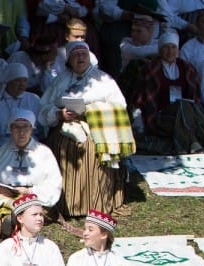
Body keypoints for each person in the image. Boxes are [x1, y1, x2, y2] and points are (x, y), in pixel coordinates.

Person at [38, 41, 134, 218]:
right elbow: (43, 108)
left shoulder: (104, 79)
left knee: (91, 149)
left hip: (97, 128)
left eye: (84, 54)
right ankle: (65, 204)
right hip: (65, 125)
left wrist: (91, 112)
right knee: (60, 146)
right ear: (69, 61)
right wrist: (59, 114)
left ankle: (94, 203)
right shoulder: (60, 81)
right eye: (76, 55)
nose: (80, 57)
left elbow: (120, 106)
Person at [0, 109, 62, 239]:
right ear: (10, 129)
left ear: (32, 129)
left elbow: (54, 184)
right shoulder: (0, 153)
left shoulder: (44, 154)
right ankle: (8, 219)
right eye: (16, 128)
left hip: (33, 198)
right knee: (0, 200)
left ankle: (7, 219)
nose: (21, 132)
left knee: (30, 208)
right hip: (6, 197)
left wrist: (29, 191)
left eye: (25, 127)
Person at [131, 31, 204, 154]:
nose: (170, 51)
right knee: (182, 106)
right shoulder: (151, 69)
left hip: (185, 115)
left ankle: (194, 141)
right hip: (160, 117)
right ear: (160, 49)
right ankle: (202, 140)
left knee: (187, 106)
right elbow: (141, 99)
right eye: (166, 47)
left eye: (173, 47)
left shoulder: (186, 68)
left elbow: (195, 96)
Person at [0, 62, 42, 149]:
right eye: (17, 80)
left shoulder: (34, 100)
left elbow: (40, 129)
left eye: (25, 80)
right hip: (0, 147)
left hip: (29, 146)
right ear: (8, 81)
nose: (22, 84)